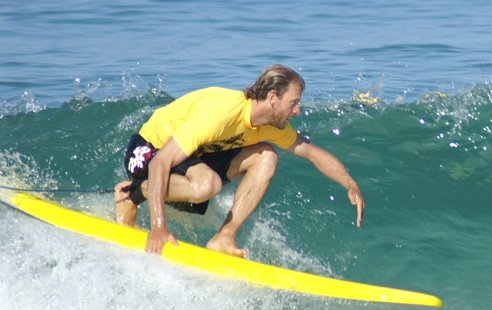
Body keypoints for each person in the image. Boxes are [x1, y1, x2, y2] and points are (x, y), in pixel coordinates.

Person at [115, 65, 364, 258]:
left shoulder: (270, 126)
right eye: (294, 102)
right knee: (207, 184)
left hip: (195, 155)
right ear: (273, 97)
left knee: (266, 156)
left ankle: (224, 238)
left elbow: (312, 153)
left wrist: (350, 183)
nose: (297, 110)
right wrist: (158, 226)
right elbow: (161, 163)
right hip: (150, 149)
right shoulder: (222, 113)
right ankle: (130, 194)